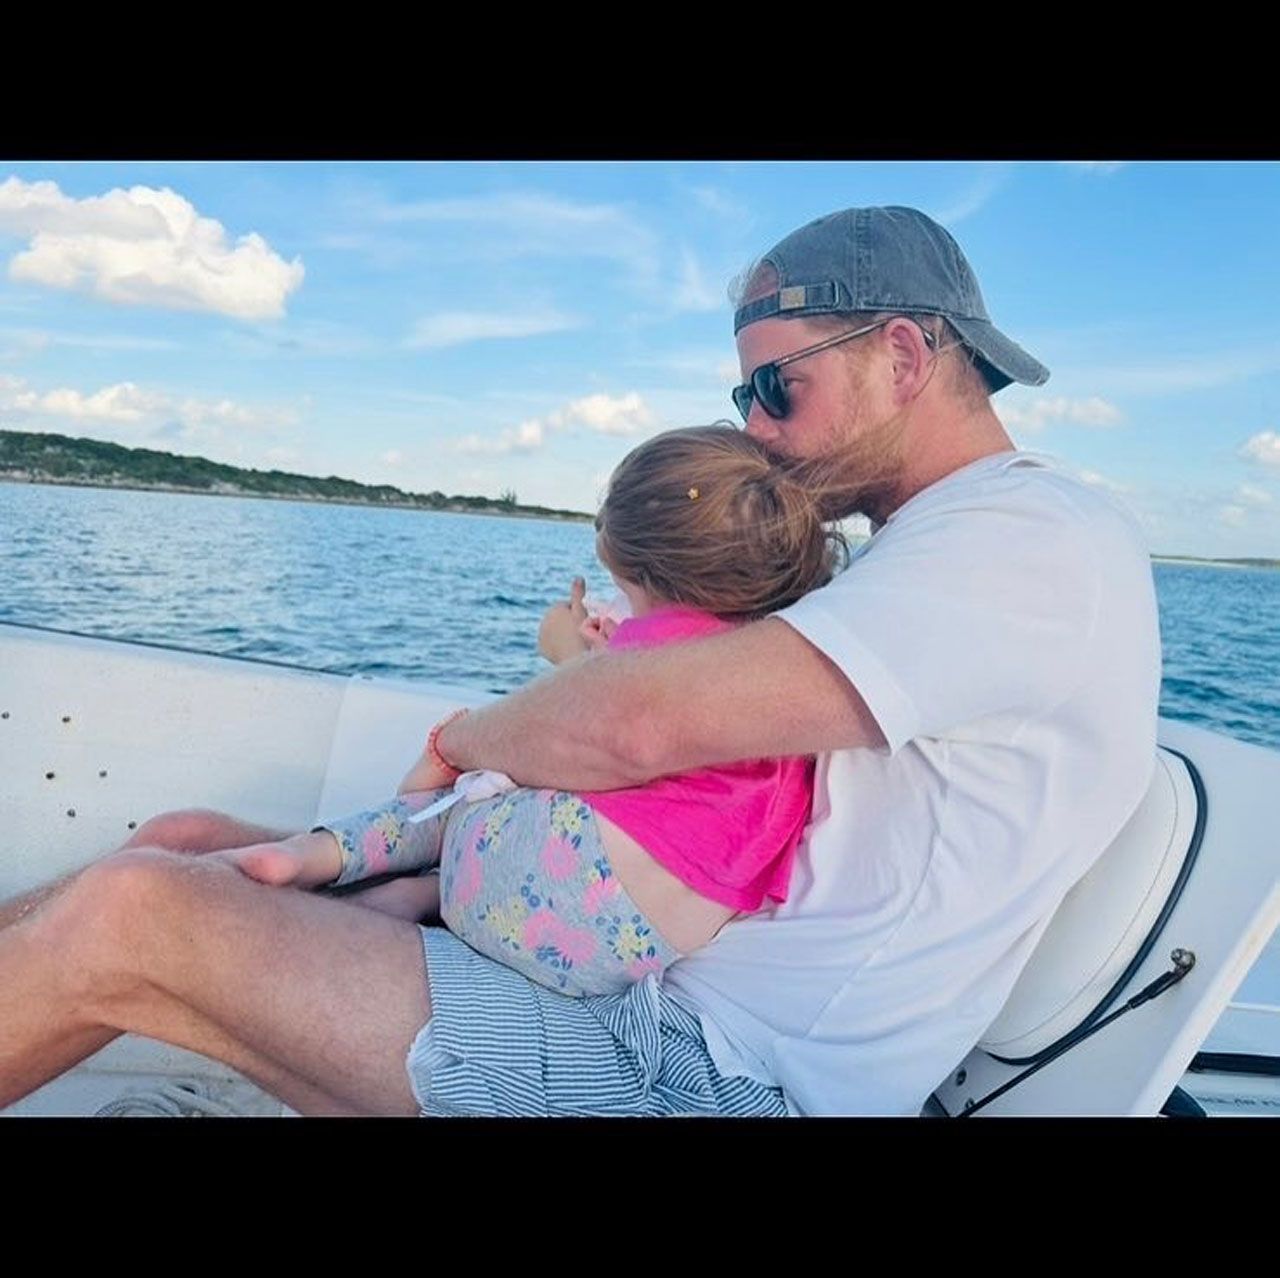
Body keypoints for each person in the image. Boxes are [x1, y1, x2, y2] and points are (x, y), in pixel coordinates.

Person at [0, 204, 1160, 1118]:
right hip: (633, 987)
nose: (753, 426)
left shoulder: (1027, 542)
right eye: (741, 393)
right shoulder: (926, 553)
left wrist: (462, 741)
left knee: (137, 914)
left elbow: (633, 727)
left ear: (902, 355)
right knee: (185, 846)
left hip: (712, 1078)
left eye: (775, 386)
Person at [152, 425, 840, 998]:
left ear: (617, 548)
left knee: (482, 783)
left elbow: (577, 702)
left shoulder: (646, 667)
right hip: (617, 954)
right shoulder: (777, 678)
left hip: (528, 873)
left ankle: (315, 856)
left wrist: (576, 656)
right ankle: (416, 900)